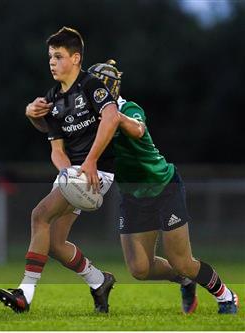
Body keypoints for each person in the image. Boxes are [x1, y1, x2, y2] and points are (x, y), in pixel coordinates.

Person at [88, 59, 239, 314]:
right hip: (132, 195)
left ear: (109, 90)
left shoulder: (129, 108)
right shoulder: (90, 123)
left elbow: (137, 129)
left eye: (94, 90)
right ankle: (184, 280)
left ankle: (225, 296)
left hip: (163, 187)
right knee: (139, 269)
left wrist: (112, 115)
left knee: (182, 260)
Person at [0, 27, 120, 314]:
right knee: (53, 242)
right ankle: (99, 281)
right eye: (50, 57)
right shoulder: (53, 96)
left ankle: (25, 294)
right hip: (75, 172)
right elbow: (57, 149)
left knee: (39, 215)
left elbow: (111, 117)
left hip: (98, 172)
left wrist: (88, 163)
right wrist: (67, 175)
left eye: (58, 56)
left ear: (76, 58)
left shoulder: (91, 85)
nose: (52, 62)